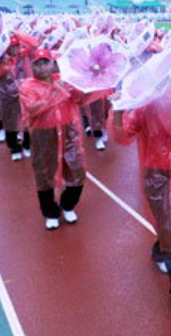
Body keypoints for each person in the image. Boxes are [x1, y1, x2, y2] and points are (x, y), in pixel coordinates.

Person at [109, 81, 171, 310]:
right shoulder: (145, 106)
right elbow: (123, 136)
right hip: (155, 172)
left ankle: (159, 250)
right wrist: (119, 109)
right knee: (168, 225)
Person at [19, 49, 103, 230]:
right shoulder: (27, 86)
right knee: (44, 174)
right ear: (32, 66)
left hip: (69, 131)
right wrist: (55, 90)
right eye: (38, 63)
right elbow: (33, 108)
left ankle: (67, 204)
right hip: (43, 134)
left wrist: (78, 84)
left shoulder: (65, 81)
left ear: (52, 64)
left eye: (45, 62)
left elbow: (80, 99)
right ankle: (50, 212)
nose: (42, 67)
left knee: (77, 169)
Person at [0, 33, 36, 161]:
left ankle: (27, 145)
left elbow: (34, 44)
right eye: (13, 46)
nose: (16, 49)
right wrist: (3, 65)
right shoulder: (1, 60)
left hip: (25, 95)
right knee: (10, 124)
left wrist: (16, 32)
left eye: (17, 45)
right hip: (7, 97)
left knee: (28, 122)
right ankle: (14, 148)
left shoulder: (24, 55)